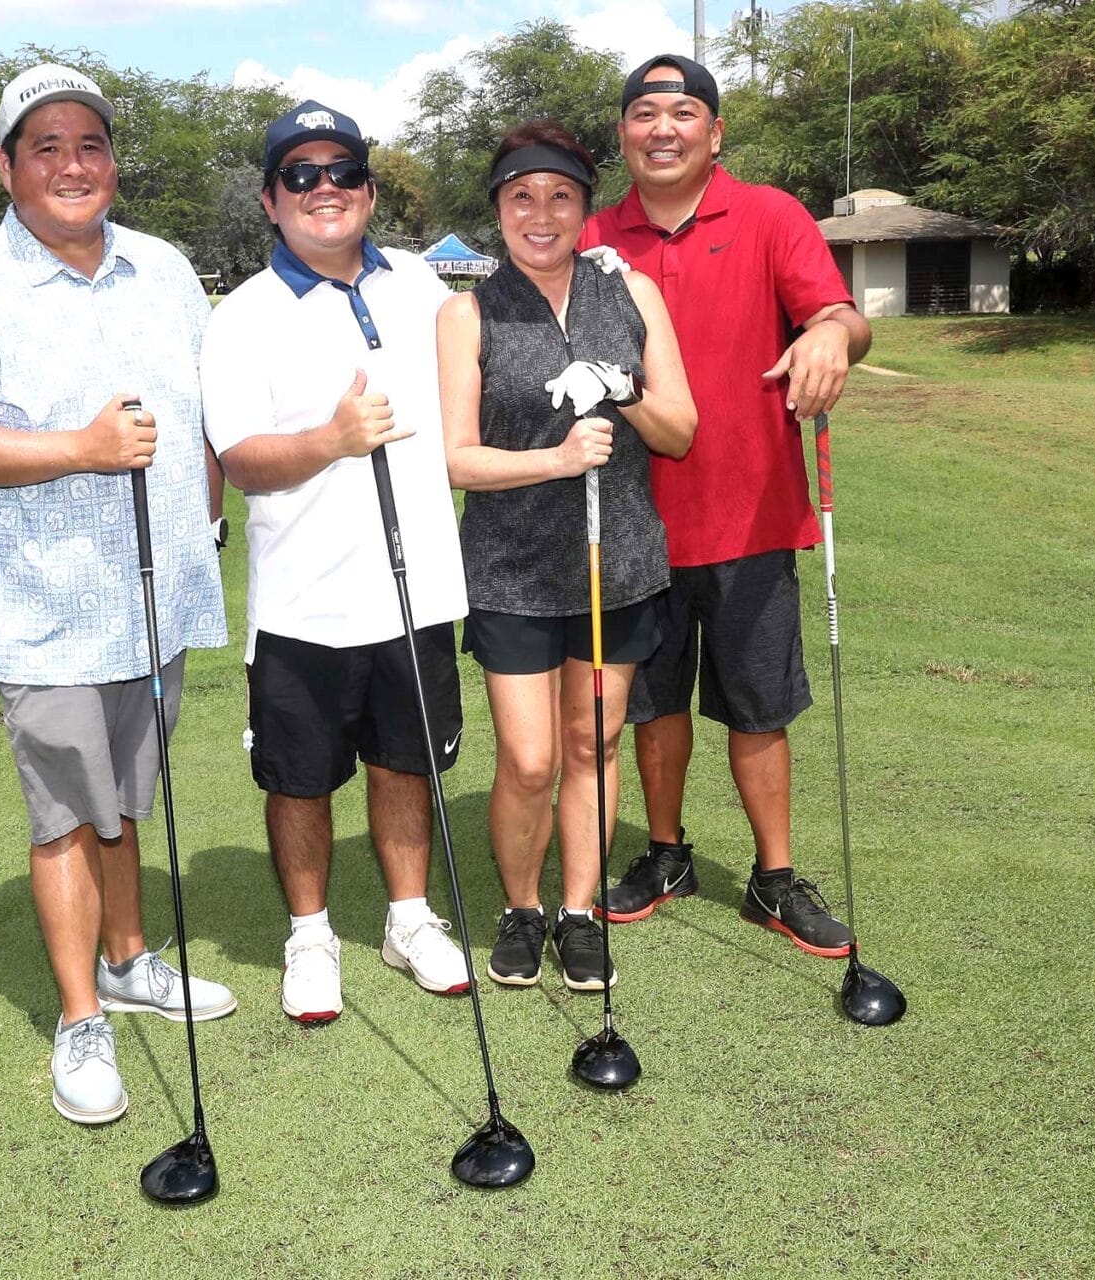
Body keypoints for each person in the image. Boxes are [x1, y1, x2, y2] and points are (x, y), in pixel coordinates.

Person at [0, 64, 236, 1126]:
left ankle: (128, 960)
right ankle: (82, 1016)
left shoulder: (165, 269)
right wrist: (79, 449)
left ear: (113, 163)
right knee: (63, 818)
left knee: (126, 798)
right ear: (6, 168)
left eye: (89, 144)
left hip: (158, 596)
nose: (72, 164)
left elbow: (204, 417)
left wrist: (209, 524)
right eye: (45, 147)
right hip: (48, 609)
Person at [578, 56, 874, 954]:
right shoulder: (593, 234)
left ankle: (773, 879)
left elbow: (843, 316)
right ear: (623, 134)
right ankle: (666, 855)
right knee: (652, 705)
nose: (662, 128)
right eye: (644, 113)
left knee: (758, 706)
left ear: (715, 133)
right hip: (633, 522)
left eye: (682, 113)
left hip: (752, 515)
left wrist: (830, 336)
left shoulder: (771, 215)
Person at [200, 101, 471, 1024]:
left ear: (369, 189)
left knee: (405, 764)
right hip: (302, 602)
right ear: (270, 199)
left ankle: (408, 918)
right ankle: (310, 935)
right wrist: (332, 439)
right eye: (301, 175)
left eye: (343, 171)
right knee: (299, 779)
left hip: (418, 589)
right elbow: (241, 459)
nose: (325, 188)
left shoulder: (421, 286)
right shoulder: (242, 316)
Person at [436, 122, 695, 991]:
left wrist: (622, 388)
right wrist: (555, 458)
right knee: (530, 759)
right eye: (521, 197)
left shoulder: (631, 293)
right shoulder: (467, 312)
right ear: (498, 210)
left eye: (559, 197)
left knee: (594, 744)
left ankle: (579, 912)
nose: (540, 214)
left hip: (614, 564)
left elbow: (681, 430)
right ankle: (523, 907)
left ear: (586, 209)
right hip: (510, 570)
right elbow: (456, 459)